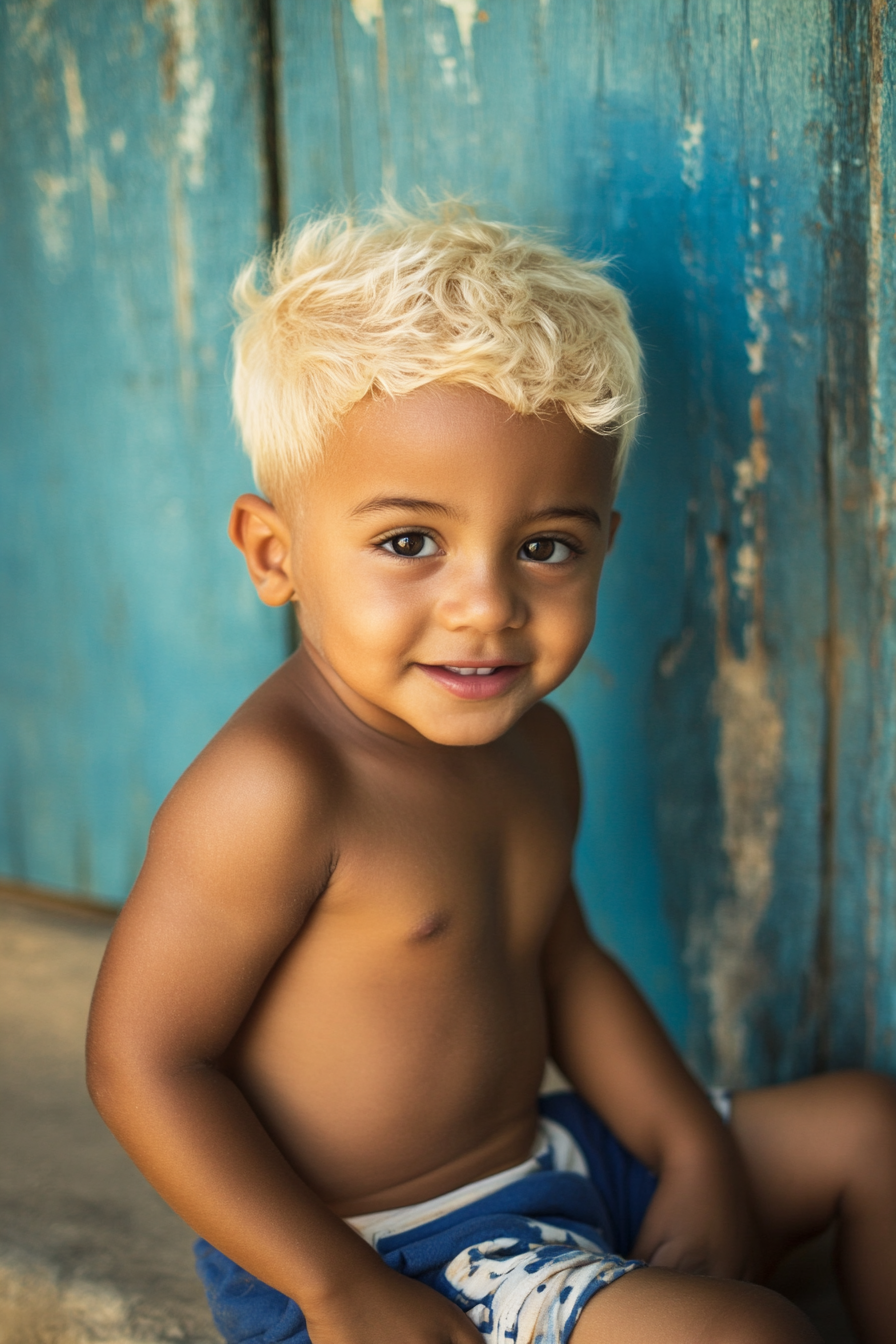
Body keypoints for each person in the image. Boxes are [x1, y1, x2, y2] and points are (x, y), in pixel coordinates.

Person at [87, 201, 896, 1344]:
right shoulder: (278, 790)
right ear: (276, 553)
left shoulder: (533, 746)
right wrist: (337, 1289)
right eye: (409, 541)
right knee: (750, 1332)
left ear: (601, 545)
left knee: (868, 1126)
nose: (485, 605)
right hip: (392, 1250)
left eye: (543, 546)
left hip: (549, 1155)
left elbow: (562, 962)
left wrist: (689, 1147)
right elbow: (143, 1063)